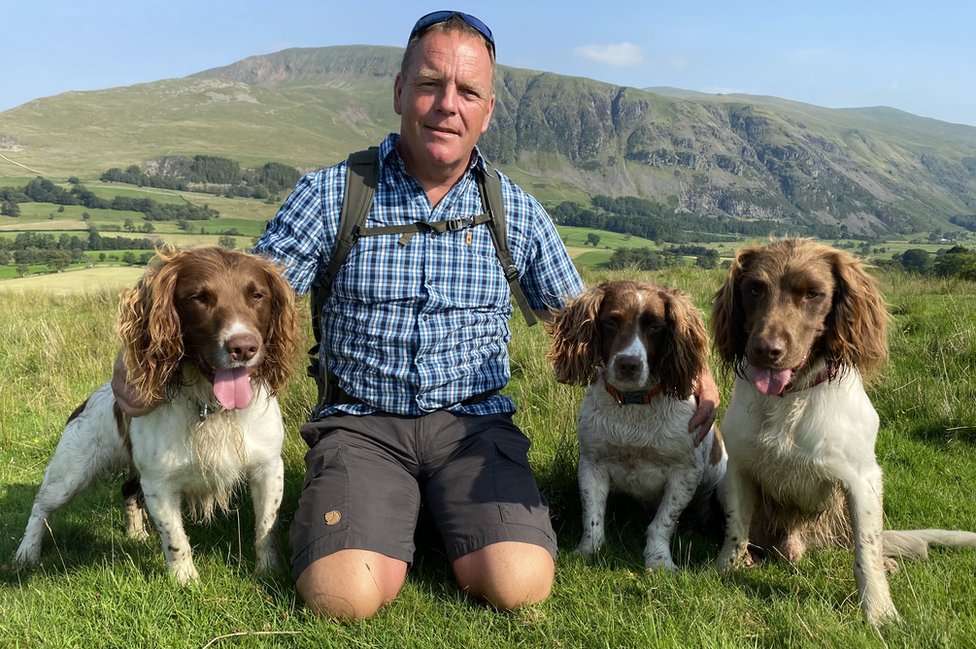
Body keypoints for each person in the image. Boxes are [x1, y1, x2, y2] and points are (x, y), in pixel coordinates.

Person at [114, 10, 719, 620]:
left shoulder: (517, 213)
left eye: (468, 92)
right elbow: (241, 292)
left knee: (521, 586)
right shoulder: (334, 195)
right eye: (430, 84)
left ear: (487, 110)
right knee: (340, 598)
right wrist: (138, 359)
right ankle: (398, 512)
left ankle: (432, 513)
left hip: (474, 430)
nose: (446, 105)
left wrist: (691, 367)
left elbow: (589, 323)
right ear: (401, 92)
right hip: (361, 426)